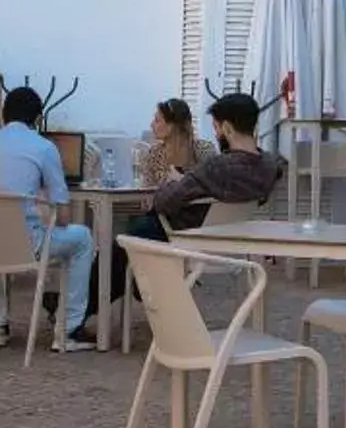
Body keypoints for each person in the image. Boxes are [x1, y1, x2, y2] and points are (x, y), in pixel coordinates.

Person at [104, 91, 286, 305]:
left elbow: (163, 202)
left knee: (121, 242)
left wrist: (174, 181)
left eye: (217, 127)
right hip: (233, 238)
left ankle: (89, 310)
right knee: (135, 235)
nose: (216, 133)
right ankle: (141, 290)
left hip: (189, 236)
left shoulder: (215, 167)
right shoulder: (270, 167)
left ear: (226, 128)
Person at [0, 86, 97, 350]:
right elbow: (63, 216)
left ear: (3, 115)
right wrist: (43, 209)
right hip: (24, 244)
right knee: (82, 239)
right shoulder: (44, 148)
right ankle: (68, 330)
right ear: (37, 120)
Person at [132, 98, 213, 186]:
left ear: (171, 126)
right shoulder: (154, 154)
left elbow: (213, 187)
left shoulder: (204, 150)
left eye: (157, 120)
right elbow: (146, 192)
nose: (151, 125)